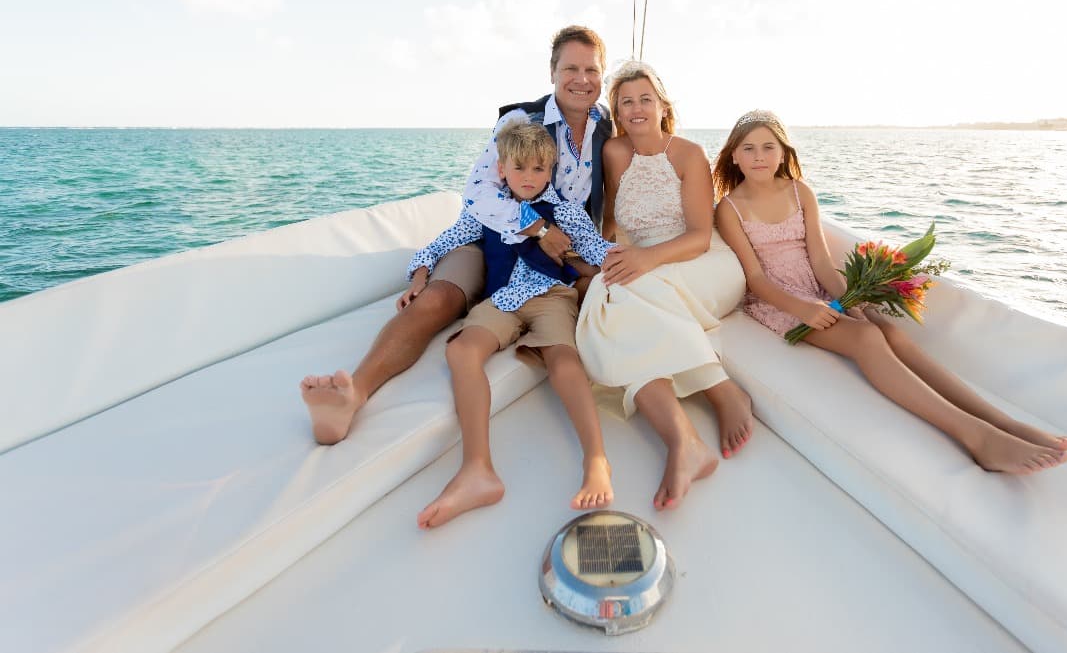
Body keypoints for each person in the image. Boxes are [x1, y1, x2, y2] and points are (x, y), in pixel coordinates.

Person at [712, 110, 1067, 475]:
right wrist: (805, 310)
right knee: (868, 339)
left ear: (783, 152)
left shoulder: (799, 191)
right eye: (748, 148)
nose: (758, 156)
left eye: (767, 146)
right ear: (733, 155)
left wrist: (850, 299)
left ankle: (1007, 425)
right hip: (779, 301)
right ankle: (978, 438)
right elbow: (756, 279)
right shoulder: (729, 209)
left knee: (893, 335)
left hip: (819, 289)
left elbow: (822, 262)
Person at [299, 26, 612, 446]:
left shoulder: (606, 127)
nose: (581, 78)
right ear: (552, 72)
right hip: (492, 234)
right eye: (570, 67)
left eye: (591, 69)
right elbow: (478, 195)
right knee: (441, 298)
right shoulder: (520, 121)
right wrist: (538, 228)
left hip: (560, 246)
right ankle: (351, 395)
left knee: (605, 283)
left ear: (602, 75)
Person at [408, 120, 615, 528]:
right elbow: (442, 242)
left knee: (564, 359)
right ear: (501, 169)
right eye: (519, 168)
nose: (528, 177)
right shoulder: (490, 212)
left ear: (550, 171)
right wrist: (418, 276)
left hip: (551, 297)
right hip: (501, 301)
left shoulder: (566, 214)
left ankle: (596, 458)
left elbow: (600, 250)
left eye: (539, 169)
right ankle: (477, 469)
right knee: (461, 350)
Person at [576, 61, 754, 512]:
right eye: (626, 101)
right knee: (606, 296)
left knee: (627, 293)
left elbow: (698, 234)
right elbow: (614, 217)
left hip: (704, 261)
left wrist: (643, 259)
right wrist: (611, 255)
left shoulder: (688, 154)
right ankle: (684, 438)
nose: (636, 108)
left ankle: (721, 390)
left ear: (662, 106)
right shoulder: (614, 152)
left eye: (645, 99)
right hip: (649, 262)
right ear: (616, 110)